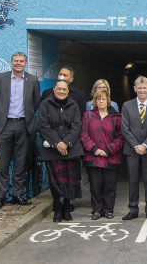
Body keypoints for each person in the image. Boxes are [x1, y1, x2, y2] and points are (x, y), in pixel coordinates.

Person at [0, 52, 41, 209]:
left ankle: (17, 195)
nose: (18, 63)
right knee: (3, 162)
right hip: (5, 124)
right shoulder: (0, 78)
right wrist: (1, 113)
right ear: (11, 62)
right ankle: (1, 196)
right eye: (16, 61)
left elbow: (35, 102)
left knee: (20, 162)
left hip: (23, 125)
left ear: (25, 63)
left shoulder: (32, 80)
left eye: (22, 61)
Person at [39, 79, 84, 222]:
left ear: (68, 91)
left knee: (70, 179)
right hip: (52, 147)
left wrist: (66, 143)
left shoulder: (74, 105)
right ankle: (57, 206)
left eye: (64, 89)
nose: (61, 91)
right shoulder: (45, 104)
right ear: (54, 89)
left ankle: (66, 206)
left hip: (70, 147)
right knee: (55, 180)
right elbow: (43, 125)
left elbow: (77, 126)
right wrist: (57, 143)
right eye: (59, 89)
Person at [81, 88, 125, 220]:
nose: (101, 101)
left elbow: (121, 137)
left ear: (108, 101)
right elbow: (83, 135)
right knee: (95, 185)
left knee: (110, 185)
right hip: (92, 157)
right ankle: (96, 210)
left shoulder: (116, 117)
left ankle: (108, 210)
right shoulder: (88, 115)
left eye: (103, 99)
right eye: (98, 99)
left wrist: (108, 150)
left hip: (111, 157)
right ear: (95, 101)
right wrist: (94, 149)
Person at [120, 76, 147, 220]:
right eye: (139, 88)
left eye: (145, 88)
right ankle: (133, 209)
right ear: (134, 89)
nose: (142, 90)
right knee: (133, 180)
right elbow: (124, 128)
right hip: (132, 150)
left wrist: (145, 145)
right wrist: (136, 145)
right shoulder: (126, 105)